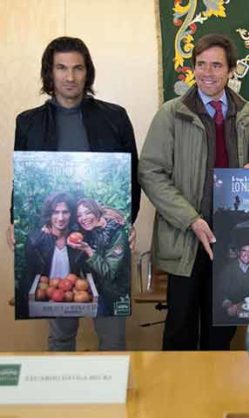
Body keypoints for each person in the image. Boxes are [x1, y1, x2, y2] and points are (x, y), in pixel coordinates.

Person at [9, 36, 140, 351]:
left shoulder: (115, 117)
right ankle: (61, 399)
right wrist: (14, 220)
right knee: (61, 332)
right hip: (61, 245)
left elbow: (133, 176)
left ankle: (111, 401)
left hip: (101, 241)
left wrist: (125, 224)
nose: (70, 77)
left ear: (88, 72)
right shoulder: (28, 122)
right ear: (49, 73)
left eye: (78, 68)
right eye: (62, 68)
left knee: (112, 336)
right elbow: (22, 177)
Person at [139, 33, 249, 350]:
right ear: (193, 68)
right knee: (180, 327)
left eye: (216, 65)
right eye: (201, 64)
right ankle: (180, 400)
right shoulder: (171, 114)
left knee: (222, 330)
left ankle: (216, 399)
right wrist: (191, 219)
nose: (207, 72)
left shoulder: (247, 114)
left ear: (231, 70)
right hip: (186, 238)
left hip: (232, 237)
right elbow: (151, 172)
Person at [22, 193, 83, 319]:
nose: (60, 218)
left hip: (71, 302)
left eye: (65, 212)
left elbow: (95, 218)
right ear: (49, 215)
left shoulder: (78, 240)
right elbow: (28, 275)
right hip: (44, 302)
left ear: (71, 214)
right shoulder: (35, 240)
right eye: (55, 212)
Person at [68, 198, 130, 317]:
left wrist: (88, 250)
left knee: (112, 332)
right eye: (79, 215)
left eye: (87, 212)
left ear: (96, 212)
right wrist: (48, 227)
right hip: (99, 292)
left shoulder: (117, 234)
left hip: (116, 295)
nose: (83, 218)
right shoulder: (92, 229)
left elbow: (109, 272)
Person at [215, 241, 249, 322]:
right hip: (233, 315)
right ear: (239, 252)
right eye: (244, 250)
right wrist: (228, 305)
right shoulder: (228, 269)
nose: (247, 254)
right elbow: (221, 293)